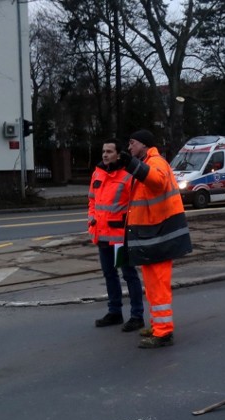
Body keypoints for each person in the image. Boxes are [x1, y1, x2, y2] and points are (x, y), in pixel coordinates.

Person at [119, 129, 192, 348]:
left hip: (159, 237)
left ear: (143, 145)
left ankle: (163, 332)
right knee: (152, 287)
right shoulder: (148, 163)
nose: (130, 147)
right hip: (153, 237)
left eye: (132, 143)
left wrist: (131, 164)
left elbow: (157, 181)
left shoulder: (156, 162)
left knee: (158, 286)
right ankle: (157, 326)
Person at [88, 139, 145, 332]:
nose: (105, 155)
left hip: (120, 237)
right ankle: (115, 312)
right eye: (103, 151)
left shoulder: (128, 175)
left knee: (128, 275)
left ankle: (137, 315)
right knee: (109, 274)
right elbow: (92, 201)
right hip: (103, 235)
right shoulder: (98, 172)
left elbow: (136, 204)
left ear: (118, 154)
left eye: (109, 151)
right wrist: (91, 220)